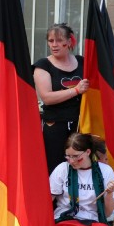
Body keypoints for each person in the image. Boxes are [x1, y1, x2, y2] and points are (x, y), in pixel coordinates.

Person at [33, 23, 89, 174]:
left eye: (59, 40)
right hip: (55, 126)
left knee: (82, 166)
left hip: (80, 124)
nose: (54, 45)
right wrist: (76, 90)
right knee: (56, 168)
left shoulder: (82, 61)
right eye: (51, 41)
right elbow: (47, 97)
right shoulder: (43, 65)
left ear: (69, 41)